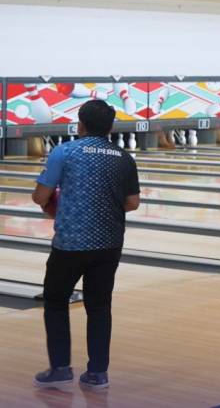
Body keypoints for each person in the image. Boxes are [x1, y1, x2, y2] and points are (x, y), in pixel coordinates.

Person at [31, 99, 141, 391]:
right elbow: (132, 202)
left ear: (80, 125)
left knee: (56, 301)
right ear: (110, 128)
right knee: (100, 306)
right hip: (109, 244)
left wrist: (58, 204)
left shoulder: (64, 152)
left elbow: (40, 196)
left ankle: (60, 368)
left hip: (70, 244)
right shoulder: (124, 157)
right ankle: (97, 374)